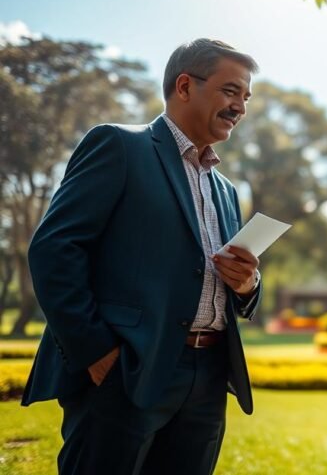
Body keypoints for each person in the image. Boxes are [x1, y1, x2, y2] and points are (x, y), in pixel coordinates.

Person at [22, 38, 264, 475]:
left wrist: (248, 284)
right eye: (231, 91)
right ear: (185, 86)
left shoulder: (226, 191)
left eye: (245, 97)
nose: (240, 107)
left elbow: (218, 279)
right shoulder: (118, 145)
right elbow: (54, 249)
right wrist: (96, 352)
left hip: (207, 378)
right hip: (126, 373)